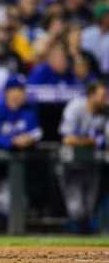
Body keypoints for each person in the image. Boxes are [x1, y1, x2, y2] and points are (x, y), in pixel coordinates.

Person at [0, 75, 42, 234]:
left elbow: (36, 132)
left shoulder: (28, 109)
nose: (19, 94)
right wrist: (11, 142)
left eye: (22, 90)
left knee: (13, 204)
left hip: (10, 172)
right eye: (15, 90)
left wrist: (30, 139)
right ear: (7, 92)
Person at [58, 81, 108, 233]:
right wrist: (92, 141)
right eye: (102, 96)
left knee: (89, 207)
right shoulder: (75, 107)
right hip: (72, 164)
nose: (105, 100)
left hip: (92, 164)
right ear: (91, 95)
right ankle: (72, 237)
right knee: (76, 208)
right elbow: (67, 138)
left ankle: (86, 243)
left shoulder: (105, 112)